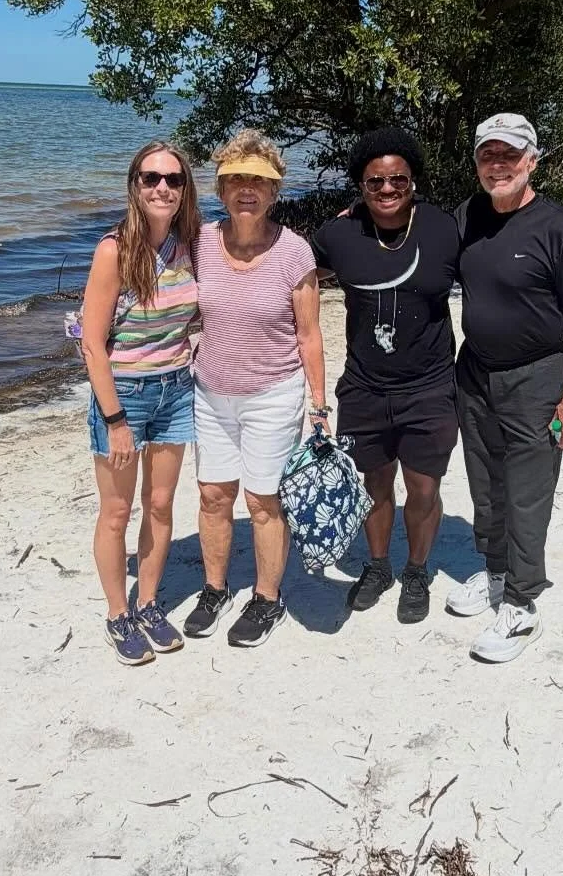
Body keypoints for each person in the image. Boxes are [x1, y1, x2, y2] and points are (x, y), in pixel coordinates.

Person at [447, 112, 563, 662]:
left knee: (527, 493)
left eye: (509, 155)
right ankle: (493, 573)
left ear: (532, 160)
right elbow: (416, 245)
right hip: (475, 373)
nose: (498, 165)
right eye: (488, 155)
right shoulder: (468, 217)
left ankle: (522, 603)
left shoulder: (559, 229)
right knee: (485, 486)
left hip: (536, 377)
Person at [184, 131, 329, 649]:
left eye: (259, 181)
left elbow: (310, 335)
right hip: (212, 389)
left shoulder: (293, 252)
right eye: (237, 179)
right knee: (212, 493)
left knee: (263, 499)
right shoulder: (200, 242)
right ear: (220, 189)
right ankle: (214, 588)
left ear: (274, 191)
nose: (248, 189)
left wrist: (319, 406)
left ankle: (268, 598)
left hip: (274, 392)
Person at [311, 128, 461, 623]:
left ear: (413, 180)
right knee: (374, 484)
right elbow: (286, 275)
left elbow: (493, 274)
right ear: (360, 185)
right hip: (364, 386)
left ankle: (416, 570)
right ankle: (377, 566)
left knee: (423, 487)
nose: (387, 189)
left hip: (430, 386)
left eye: (398, 179)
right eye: (375, 182)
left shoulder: (444, 228)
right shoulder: (338, 234)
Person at [79, 141, 201, 665]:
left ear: (184, 190)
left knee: (159, 504)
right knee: (117, 510)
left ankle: (148, 603)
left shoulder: (188, 245)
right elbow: (91, 343)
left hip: (176, 390)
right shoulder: (114, 249)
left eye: (173, 180)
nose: (162, 188)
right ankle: (117, 613)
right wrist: (115, 420)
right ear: (135, 186)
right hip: (123, 395)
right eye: (151, 179)